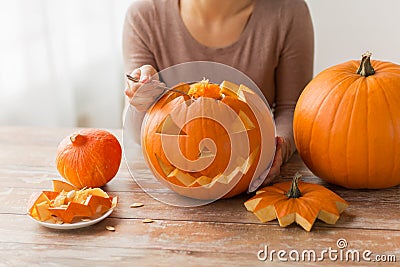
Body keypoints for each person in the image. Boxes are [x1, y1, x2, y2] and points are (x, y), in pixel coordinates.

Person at [122, 0, 314, 188]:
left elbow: (292, 109)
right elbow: (137, 131)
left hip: (252, 176)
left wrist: (278, 148)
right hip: (172, 188)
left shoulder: (289, 11)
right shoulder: (143, 15)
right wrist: (142, 100)